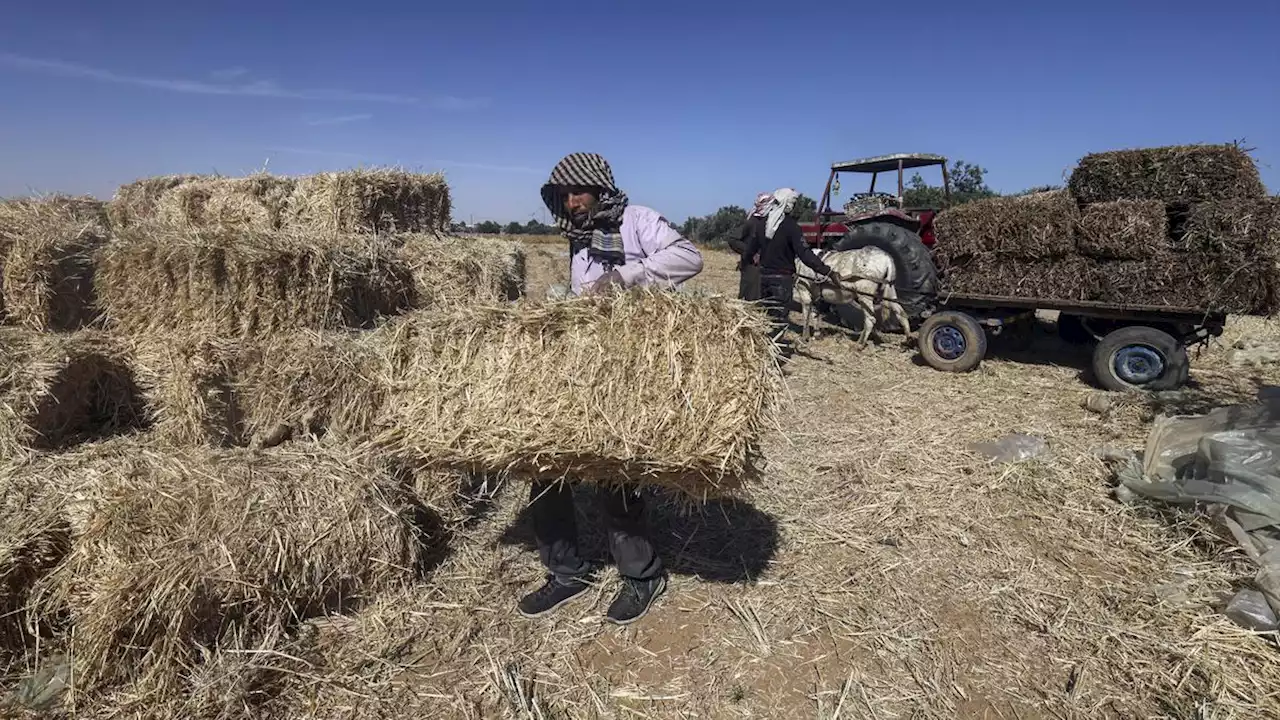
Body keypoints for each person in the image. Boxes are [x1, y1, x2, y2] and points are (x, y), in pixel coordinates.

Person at [520, 152, 704, 625]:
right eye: (564, 194)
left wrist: (625, 276)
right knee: (547, 463)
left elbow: (689, 257)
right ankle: (566, 572)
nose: (572, 201)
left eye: (578, 191)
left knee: (615, 469)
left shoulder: (637, 220)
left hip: (630, 369)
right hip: (584, 364)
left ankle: (641, 576)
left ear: (600, 189)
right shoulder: (577, 239)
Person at [741, 188, 839, 346]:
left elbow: (750, 250)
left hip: (764, 279)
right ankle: (774, 356)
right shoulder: (791, 227)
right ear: (788, 204)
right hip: (782, 281)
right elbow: (805, 254)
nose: (794, 206)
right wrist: (827, 271)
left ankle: (766, 350)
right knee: (779, 322)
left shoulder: (762, 224)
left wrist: (744, 263)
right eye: (793, 203)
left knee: (768, 319)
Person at [728, 192, 771, 301]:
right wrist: (751, 253)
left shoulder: (770, 223)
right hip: (752, 268)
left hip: (766, 269)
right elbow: (733, 239)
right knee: (751, 300)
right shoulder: (752, 222)